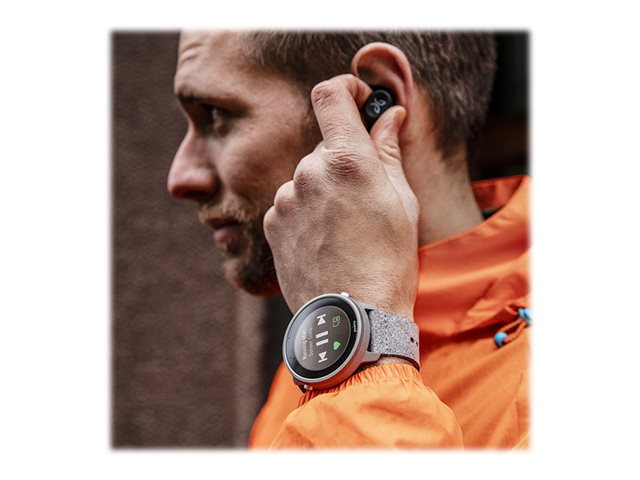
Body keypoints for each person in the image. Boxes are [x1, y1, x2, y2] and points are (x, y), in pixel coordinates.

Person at [168, 31, 530, 448]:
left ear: (373, 102)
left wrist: (368, 347)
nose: (180, 177)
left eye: (216, 116)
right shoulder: (324, 338)